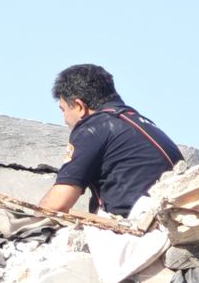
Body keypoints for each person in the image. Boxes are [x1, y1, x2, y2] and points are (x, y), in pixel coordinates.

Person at [38, 64, 182, 218]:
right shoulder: (143, 125)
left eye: (63, 110)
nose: (64, 120)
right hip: (172, 219)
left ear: (80, 106)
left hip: (135, 228)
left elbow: (56, 204)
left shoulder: (94, 126)